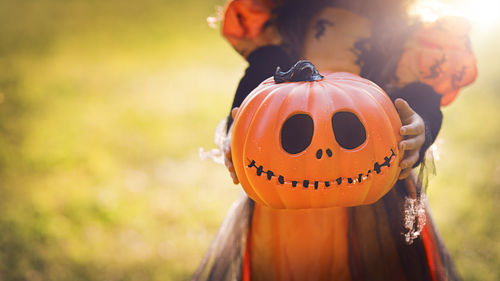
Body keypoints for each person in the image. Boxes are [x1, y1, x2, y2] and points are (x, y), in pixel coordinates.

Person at [193, 0, 477, 280]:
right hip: (286, 188)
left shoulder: (408, 36)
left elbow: (422, 97)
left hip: (373, 198)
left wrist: (420, 127)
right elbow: (256, 94)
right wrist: (236, 133)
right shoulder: (283, 24)